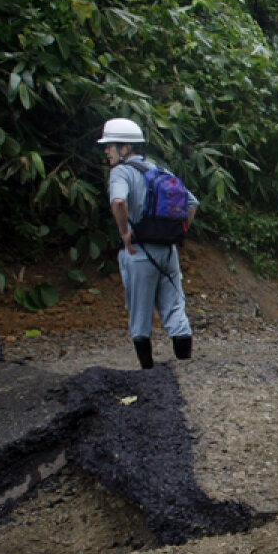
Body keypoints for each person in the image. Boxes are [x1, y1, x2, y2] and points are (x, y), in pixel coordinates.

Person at [98, 118, 198, 369]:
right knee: (175, 306)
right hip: (168, 250)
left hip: (139, 250)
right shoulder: (159, 170)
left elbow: (119, 202)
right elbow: (192, 203)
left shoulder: (121, 172)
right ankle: (186, 367)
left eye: (110, 145)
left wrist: (125, 233)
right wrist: (178, 232)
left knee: (140, 310)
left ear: (124, 147)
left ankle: (148, 372)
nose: (107, 151)